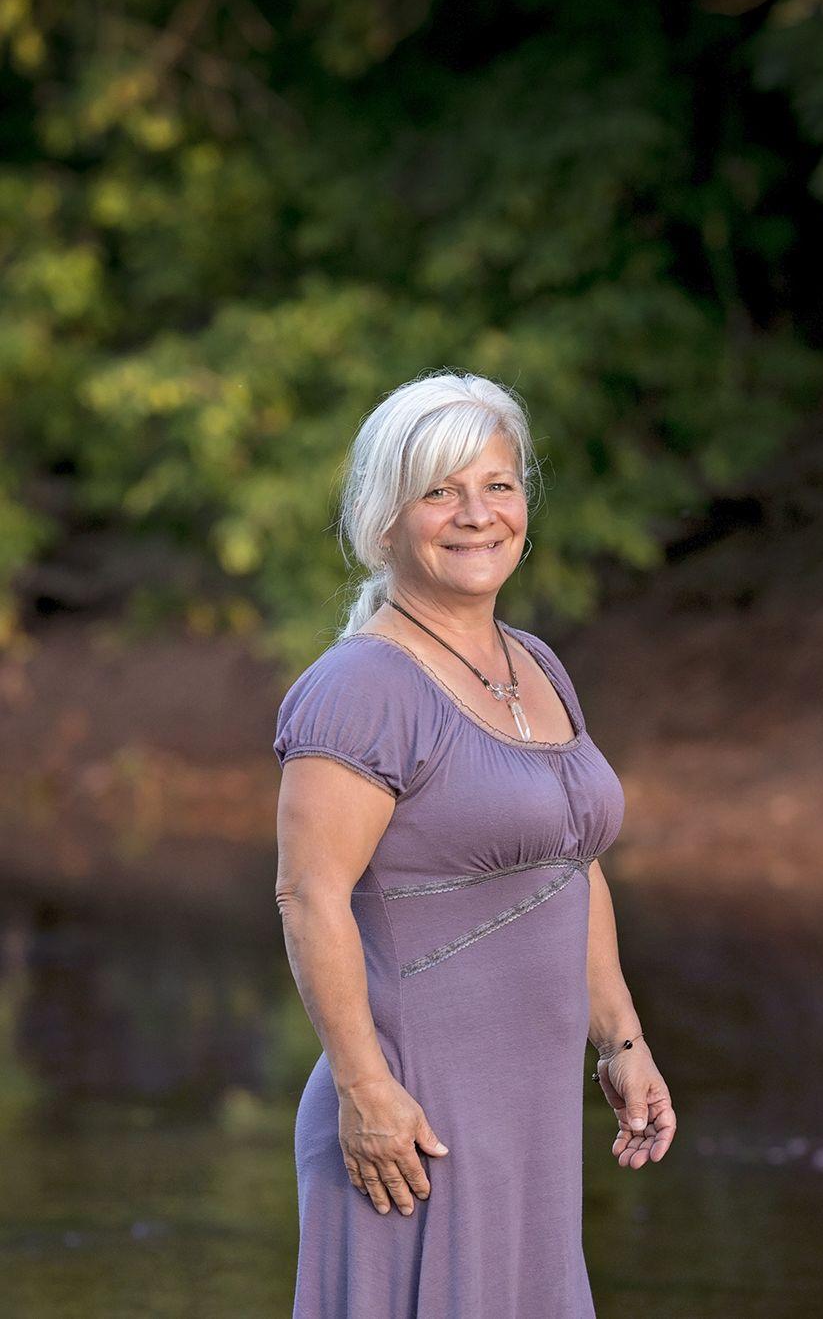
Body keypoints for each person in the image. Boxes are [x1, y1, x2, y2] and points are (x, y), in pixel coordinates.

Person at [273, 369, 676, 1317]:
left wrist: (620, 1039)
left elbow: (569, 866)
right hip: (414, 1121)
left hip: (528, 1119)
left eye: (497, 485)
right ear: (384, 519)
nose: (475, 514)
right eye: (439, 491)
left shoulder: (535, 663)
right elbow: (309, 897)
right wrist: (367, 1094)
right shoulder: (359, 687)